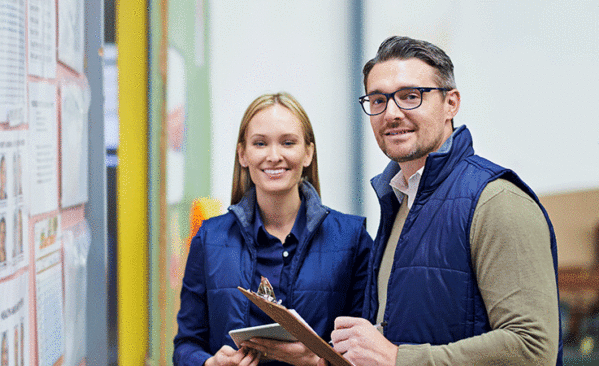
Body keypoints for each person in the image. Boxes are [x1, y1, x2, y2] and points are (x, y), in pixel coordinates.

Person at [322, 36, 562, 365]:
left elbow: (533, 348)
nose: (391, 113)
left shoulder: (497, 201)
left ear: (451, 103)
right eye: (378, 100)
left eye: (410, 96)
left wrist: (397, 359)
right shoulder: (400, 200)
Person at [173, 92, 372, 366]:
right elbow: (186, 344)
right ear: (243, 154)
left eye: (288, 143)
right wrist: (210, 364)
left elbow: (368, 350)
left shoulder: (352, 239)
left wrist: (316, 362)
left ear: (308, 153)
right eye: (260, 143)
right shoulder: (210, 239)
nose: (274, 156)